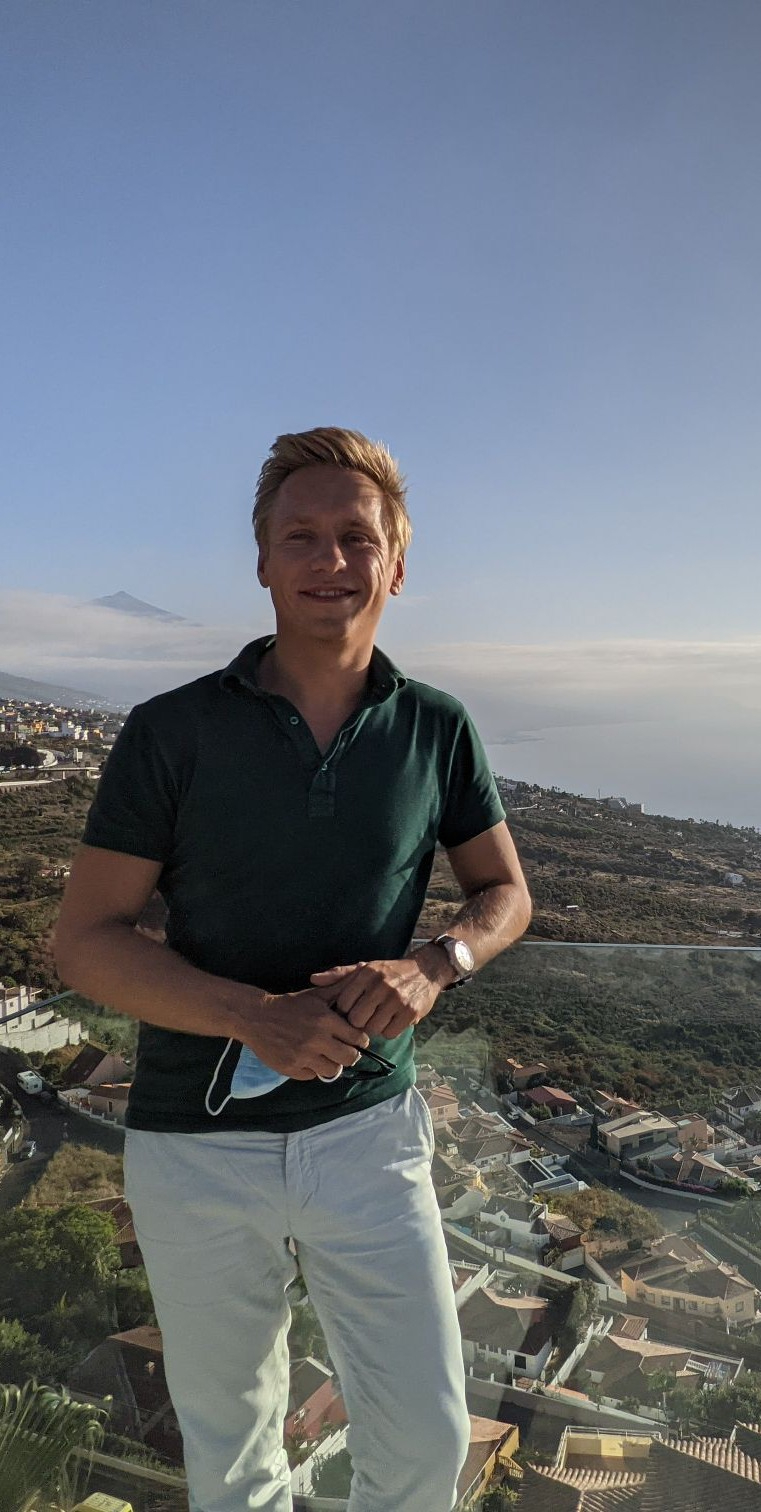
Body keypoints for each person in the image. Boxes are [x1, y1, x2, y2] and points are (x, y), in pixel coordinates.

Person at [53, 427, 532, 1512]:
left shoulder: (437, 729)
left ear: (395, 565)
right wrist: (254, 1017)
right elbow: (84, 941)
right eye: (301, 537)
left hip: (369, 1132)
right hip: (195, 1143)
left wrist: (436, 964)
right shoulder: (171, 733)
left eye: (357, 537)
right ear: (263, 562)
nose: (331, 559)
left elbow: (506, 893)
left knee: (426, 1443)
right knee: (232, 1456)